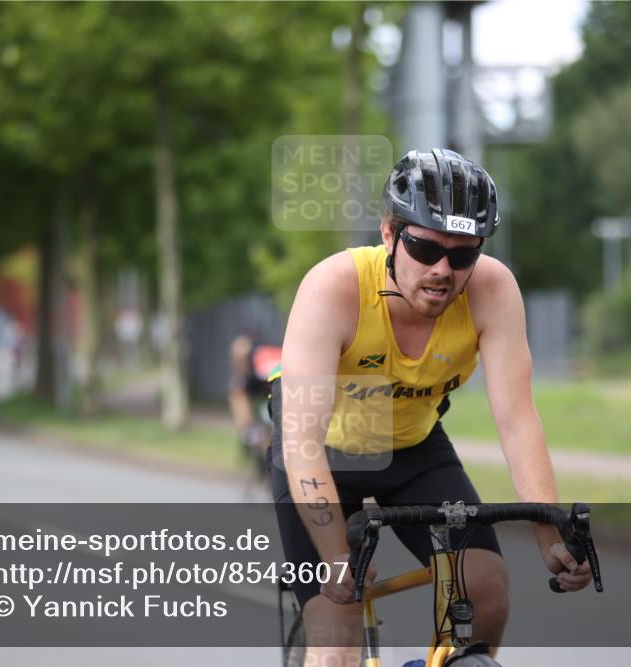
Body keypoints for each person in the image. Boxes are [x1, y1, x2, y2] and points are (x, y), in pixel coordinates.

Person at [269, 149, 593, 665]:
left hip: (414, 449)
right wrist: (334, 556)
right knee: (336, 642)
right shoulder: (334, 288)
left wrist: (549, 535)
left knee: (486, 587)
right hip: (322, 453)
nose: (443, 270)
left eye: (463, 255)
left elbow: (517, 420)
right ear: (389, 234)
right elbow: (302, 441)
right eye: (424, 248)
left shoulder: (492, 290)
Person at [228, 334, 281, 492]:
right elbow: (239, 399)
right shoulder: (243, 376)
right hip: (263, 396)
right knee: (256, 434)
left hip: (275, 391)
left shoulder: (259, 361)